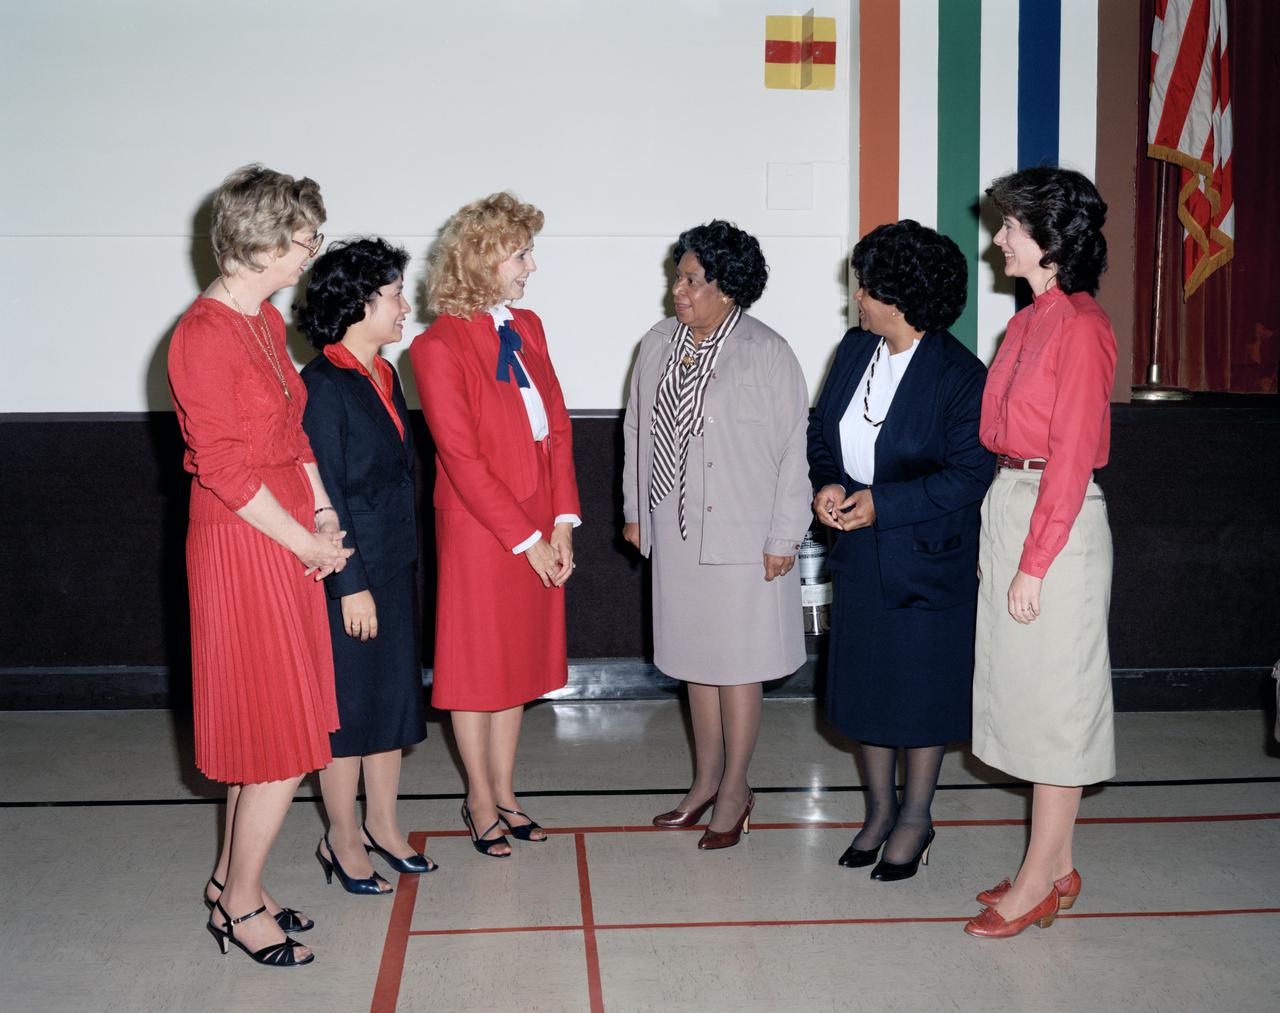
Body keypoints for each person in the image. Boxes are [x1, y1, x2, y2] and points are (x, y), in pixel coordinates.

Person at [168, 164, 351, 967]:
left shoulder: (266, 321)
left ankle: (229, 879)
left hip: (284, 527)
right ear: (265, 242)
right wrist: (303, 540)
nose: (312, 251)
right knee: (277, 741)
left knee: (269, 727)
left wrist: (321, 508)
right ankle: (239, 905)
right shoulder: (200, 335)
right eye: (306, 237)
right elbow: (226, 469)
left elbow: (292, 432)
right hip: (243, 539)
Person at [808, 220, 994, 880]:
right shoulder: (855, 350)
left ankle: (916, 817)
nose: (857, 296)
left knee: (917, 694)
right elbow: (822, 431)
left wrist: (885, 503)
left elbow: (970, 473)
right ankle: (879, 810)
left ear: (902, 295)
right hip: (859, 557)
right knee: (866, 690)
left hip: (927, 558)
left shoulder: (959, 374)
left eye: (868, 286)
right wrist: (828, 481)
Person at [964, 167, 1117, 939]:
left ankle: (1038, 882)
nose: (999, 239)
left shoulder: (1083, 327)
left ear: (1052, 240)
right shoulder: (1025, 322)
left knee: (1056, 709)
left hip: (1057, 520)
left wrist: (1034, 559)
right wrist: (1003, 537)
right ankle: (1056, 865)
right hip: (1013, 502)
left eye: (1012, 227)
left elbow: (1072, 454)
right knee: (1025, 698)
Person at [622, 221, 810, 850]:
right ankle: (703, 783)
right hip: (676, 532)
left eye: (691, 280)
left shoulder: (767, 351)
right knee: (694, 664)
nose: (678, 289)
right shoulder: (656, 344)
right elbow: (635, 434)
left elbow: (794, 452)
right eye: (678, 276)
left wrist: (786, 534)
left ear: (727, 288)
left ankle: (736, 787)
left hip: (745, 534)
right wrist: (635, 510)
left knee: (738, 667)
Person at [409, 193, 581, 858]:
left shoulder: (529, 326)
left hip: (538, 521)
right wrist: (527, 538)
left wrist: (561, 522)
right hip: (483, 532)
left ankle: (505, 793)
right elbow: (461, 456)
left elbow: (558, 429)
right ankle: (479, 800)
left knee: (515, 667)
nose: (530, 266)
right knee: (478, 668)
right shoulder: (436, 344)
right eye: (520, 253)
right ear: (482, 260)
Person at [297, 239, 431, 895]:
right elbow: (325, 493)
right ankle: (342, 837)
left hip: (395, 563)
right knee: (350, 711)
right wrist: (351, 586)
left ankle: (382, 822)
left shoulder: (383, 374)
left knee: (392, 699)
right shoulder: (321, 385)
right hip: (351, 572)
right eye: (395, 294)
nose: (407, 306)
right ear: (358, 302)